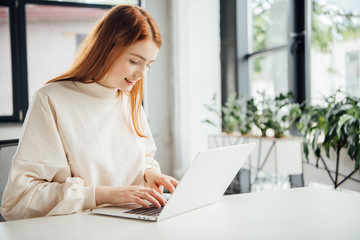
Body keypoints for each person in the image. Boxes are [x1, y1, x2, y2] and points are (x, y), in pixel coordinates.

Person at [0, 5, 178, 221]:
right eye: (134, 61)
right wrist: (100, 194)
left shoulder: (128, 98)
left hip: (132, 225)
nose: (142, 74)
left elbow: (144, 157)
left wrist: (150, 174)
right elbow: (18, 201)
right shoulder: (51, 100)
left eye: (148, 64)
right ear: (106, 48)